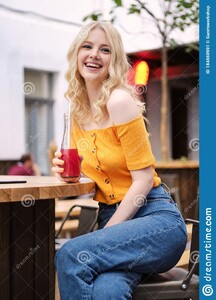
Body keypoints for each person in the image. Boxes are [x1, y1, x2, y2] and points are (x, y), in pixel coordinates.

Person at [53, 21, 187, 300]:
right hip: (114, 224)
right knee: (107, 291)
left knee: (70, 254)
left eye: (105, 50)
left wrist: (109, 232)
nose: (94, 55)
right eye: (87, 46)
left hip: (154, 220)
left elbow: (144, 180)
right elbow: (93, 174)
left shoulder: (119, 102)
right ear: (76, 53)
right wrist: (65, 173)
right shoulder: (77, 112)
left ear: (113, 60)